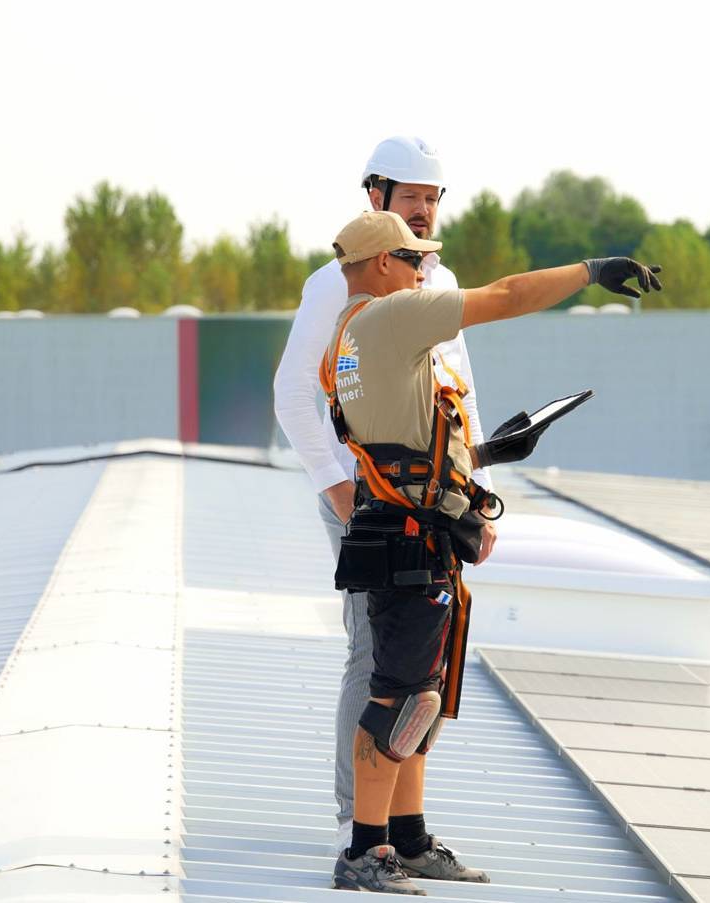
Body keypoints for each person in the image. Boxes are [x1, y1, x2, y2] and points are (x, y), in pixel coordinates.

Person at [322, 210, 661, 893]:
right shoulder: (391, 317)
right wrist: (592, 271)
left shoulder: (351, 339)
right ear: (382, 262)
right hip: (411, 539)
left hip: (411, 528)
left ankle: (407, 837)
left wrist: (483, 453)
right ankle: (364, 850)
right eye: (414, 256)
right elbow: (506, 296)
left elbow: (397, 444)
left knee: (421, 694)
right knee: (397, 697)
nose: (424, 267)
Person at [272, 137, 496, 861]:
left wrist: (482, 497)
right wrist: (334, 484)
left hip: (437, 508)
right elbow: (290, 393)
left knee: (426, 666)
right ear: (376, 197)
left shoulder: (442, 280)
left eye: (434, 198)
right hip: (368, 505)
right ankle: (356, 828)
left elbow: (461, 398)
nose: (425, 211)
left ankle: (406, 831)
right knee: (376, 658)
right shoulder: (335, 283)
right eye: (411, 198)